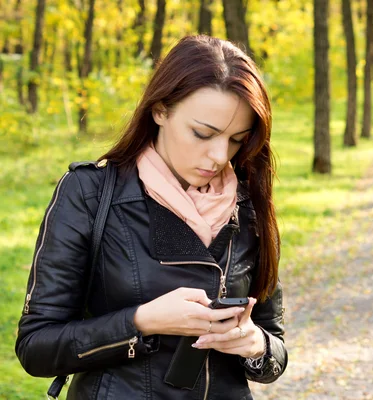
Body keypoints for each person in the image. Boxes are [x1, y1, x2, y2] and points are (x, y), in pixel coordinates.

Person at [15, 35, 287, 399]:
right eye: (203, 134)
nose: (220, 156)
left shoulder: (248, 203)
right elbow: (36, 347)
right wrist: (141, 321)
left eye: (237, 139)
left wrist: (255, 345)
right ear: (160, 110)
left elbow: (275, 349)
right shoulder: (89, 193)